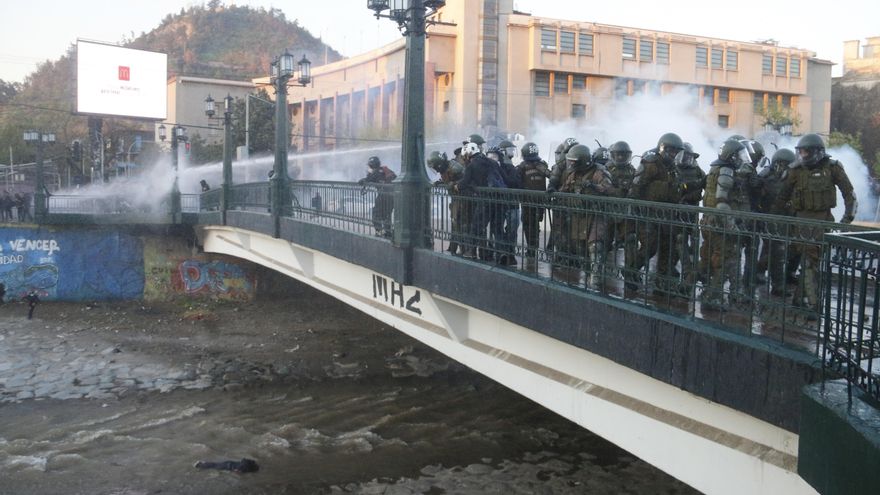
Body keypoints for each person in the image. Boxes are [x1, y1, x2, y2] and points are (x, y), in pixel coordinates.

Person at [773, 133, 857, 317]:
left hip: (822, 222)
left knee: (811, 262)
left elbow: (849, 194)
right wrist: (777, 221)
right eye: (801, 152)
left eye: (806, 152)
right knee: (809, 263)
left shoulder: (832, 168)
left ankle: (803, 301)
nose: (803, 156)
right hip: (800, 222)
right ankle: (810, 303)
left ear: (817, 152)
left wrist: (845, 221)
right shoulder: (795, 170)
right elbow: (781, 197)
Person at [626, 133, 685, 292]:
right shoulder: (651, 163)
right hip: (648, 214)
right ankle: (630, 272)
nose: (673, 155)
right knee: (649, 247)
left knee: (668, 248)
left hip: (666, 215)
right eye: (670, 151)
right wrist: (635, 211)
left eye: (675, 152)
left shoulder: (672, 167)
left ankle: (662, 282)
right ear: (662, 148)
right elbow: (636, 186)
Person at [699, 139, 752, 311]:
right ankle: (712, 296)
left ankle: (734, 293)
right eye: (739, 155)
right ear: (731, 156)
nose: (742, 158)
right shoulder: (726, 170)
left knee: (730, 258)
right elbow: (721, 202)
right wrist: (732, 228)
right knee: (722, 260)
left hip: (715, 222)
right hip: (720, 224)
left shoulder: (720, 168)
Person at [558, 144, 615, 290]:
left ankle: (596, 280)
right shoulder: (574, 174)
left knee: (595, 246)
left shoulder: (599, 172)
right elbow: (565, 188)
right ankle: (588, 275)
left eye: (573, 161)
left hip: (596, 214)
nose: (571, 164)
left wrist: (593, 186)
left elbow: (609, 189)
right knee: (580, 248)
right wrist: (555, 191)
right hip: (579, 215)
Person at [754, 148, 799, 295]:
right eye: (783, 165)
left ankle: (760, 273)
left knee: (774, 251)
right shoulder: (766, 177)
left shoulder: (792, 178)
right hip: (770, 219)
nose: (785, 169)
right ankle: (778, 286)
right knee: (777, 253)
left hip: (784, 219)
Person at [672, 142, 706, 293]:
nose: (686, 159)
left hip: (692, 208)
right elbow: (677, 187)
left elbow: (706, 183)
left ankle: (692, 270)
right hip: (679, 209)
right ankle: (686, 269)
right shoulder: (674, 169)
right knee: (680, 239)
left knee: (694, 237)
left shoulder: (696, 169)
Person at [455, 142, 496, 259]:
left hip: (482, 198)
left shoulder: (472, 165)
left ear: (469, 153)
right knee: (495, 229)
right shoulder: (489, 161)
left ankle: (471, 252)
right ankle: (493, 253)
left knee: (476, 226)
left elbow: (465, 182)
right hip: (496, 197)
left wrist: (457, 186)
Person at [605, 141, 637, 275]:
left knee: (630, 239)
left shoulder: (632, 170)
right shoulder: (605, 169)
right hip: (608, 211)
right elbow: (604, 188)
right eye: (618, 155)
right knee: (604, 242)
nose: (621, 158)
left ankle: (630, 271)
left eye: (624, 155)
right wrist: (618, 191)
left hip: (625, 212)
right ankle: (601, 269)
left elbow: (637, 186)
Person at [516, 142, 551, 259]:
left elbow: (517, 183)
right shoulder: (542, 165)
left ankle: (532, 249)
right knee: (534, 225)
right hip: (539, 201)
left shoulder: (522, 166)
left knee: (528, 225)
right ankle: (533, 248)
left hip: (528, 202)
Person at [428, 150, 465, 254]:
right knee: (455, 224)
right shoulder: (446, 169)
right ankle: (453, 248)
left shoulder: (455, 167)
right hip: (456, 198)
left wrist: (454, 183)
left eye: (435, 166)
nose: (435, 169)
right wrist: (440, 182)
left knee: (459, 224)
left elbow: (466, 180)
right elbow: (448, 179)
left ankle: (464, 249)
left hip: (463, 198)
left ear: (439, 164)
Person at [358, 156, 397, 238]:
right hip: (392, 197)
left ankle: (379, 232)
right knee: (387, 215)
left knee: (376, 215)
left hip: (383, 195)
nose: (368, 167)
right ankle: (388, 232)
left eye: (369, 166)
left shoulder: (375, 172)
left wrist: (364, 178)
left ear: (372, 165)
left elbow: (366, 180)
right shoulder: (386, 170)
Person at [194, 458, 259, 473]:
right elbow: (237, 470)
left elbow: (243, 459)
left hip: (229, 462)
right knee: (214, 466)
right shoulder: (246, 469)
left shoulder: (248, 462)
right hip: (228, 467)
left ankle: (202, 463)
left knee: (215, 464)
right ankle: (199, 465)